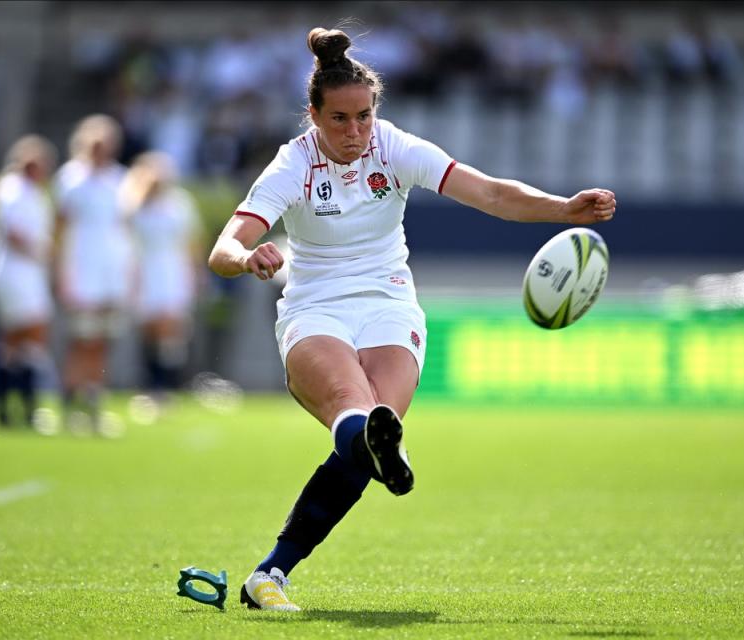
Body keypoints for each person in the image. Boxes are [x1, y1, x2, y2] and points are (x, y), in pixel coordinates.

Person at [207, 27, 616, 612]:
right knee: (356, 409)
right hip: (315, 305)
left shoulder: (393, 146)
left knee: (375, 432)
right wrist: (249, 257)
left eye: (364, 117)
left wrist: (561, 208)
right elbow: (224, 247)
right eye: (340, 120)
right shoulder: (290, 165)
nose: (354, 132)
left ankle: (270, 574)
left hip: (389, 303)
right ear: (313, 116)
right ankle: (277, 568)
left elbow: (492, 194)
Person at [52, 114, 133, 431]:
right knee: (81, 339)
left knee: (102, 340)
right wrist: (61, 272)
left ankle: (93, 401)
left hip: (111, 272)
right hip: (82, 270)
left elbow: (124, 229)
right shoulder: (70, 179)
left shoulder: (120, 179)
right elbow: (59, 229)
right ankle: (71, 402)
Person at [0, 134, 59, 429]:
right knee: (29, 335)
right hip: (15, 271)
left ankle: (10, 409)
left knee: (15, 341)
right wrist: (41, 250)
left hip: (26, 272)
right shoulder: (12, 189)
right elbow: (14, 233)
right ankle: (21, 406)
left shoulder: (35, 193)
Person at [120, 151, 205, 403]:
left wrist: (196, 272)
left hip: (172, 269)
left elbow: (191, 241)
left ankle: (167, 386)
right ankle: (149, 386)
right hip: (145, 269)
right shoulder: (134, 204)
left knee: (170, 331)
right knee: (149, 330)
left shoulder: (180, 203)